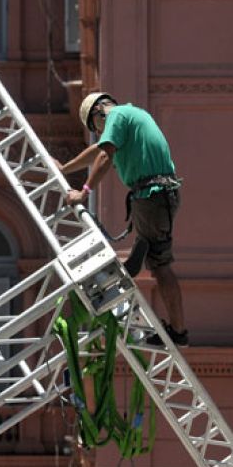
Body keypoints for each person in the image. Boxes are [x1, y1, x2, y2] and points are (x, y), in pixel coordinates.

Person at [55, 91, 188, 346]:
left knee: (160, 265)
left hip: (152, 195)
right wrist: (65, 168)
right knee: (154, 257)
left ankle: (179, 331)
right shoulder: (131, 114)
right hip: (155, 195)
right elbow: (98, 149)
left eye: (96, 128)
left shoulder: (114, 115)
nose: (99, 133)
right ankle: (135, 261)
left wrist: (84, 192)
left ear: (98, 113)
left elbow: (105, 155)